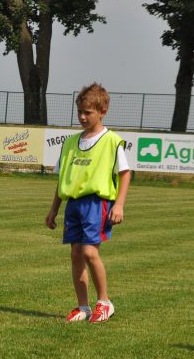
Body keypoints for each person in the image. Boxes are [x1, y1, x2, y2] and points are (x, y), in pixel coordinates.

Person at [45, 83, 132, 324]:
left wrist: (119, 204)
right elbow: (63, 179)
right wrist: (54, 209)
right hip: (73, 204)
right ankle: (83, 306)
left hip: (97, 203)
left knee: (89, 251)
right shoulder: (71, 143)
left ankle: (104, 302)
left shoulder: (112, 141)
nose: (82, 117)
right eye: (80, 112)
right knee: (75, 254)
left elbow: (125, 173)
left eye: (88, 112)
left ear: (102, 111)